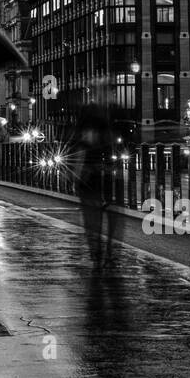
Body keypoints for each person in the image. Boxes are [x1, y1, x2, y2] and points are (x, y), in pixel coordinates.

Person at [68, 97, 117, 269]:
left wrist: (74, 178)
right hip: (101, 179)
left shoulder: (81, 133)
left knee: (90, 219)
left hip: (87, 180)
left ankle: (95, 252)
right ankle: (105, 252)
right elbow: (111, 155)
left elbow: (78, 156)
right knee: (101, 216)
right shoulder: (105, 133)